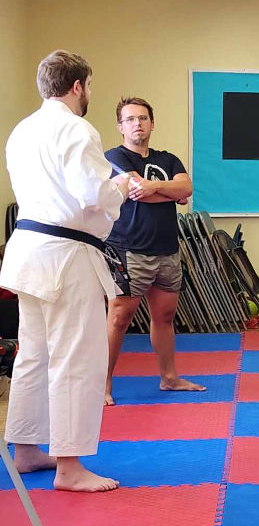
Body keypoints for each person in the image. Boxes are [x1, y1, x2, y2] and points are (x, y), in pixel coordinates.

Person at [1, 50, 131, 492]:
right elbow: (91, 193)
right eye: (89, 86)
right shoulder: (75, 127)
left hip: (28, 252)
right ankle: (70, 467)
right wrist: (120, 186)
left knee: (33, 355)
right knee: (76, 358)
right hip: (65, 255)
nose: (89, 94)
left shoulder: (22, 131)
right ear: (77, 87)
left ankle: (26, 449)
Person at [104, 96, 201, 406]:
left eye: (143, 118)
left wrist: (154, 188)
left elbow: (185, 188)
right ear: (120, 126)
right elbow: (135, 192)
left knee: (165, 315)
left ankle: (169, 378)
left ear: (152, 123)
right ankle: (102, 385)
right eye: (130, 119)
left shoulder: (168, 159)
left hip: (166, 249)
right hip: (129, 248)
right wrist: (167, 191)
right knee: (120, 318)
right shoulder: (113, 157)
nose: (138, 123)